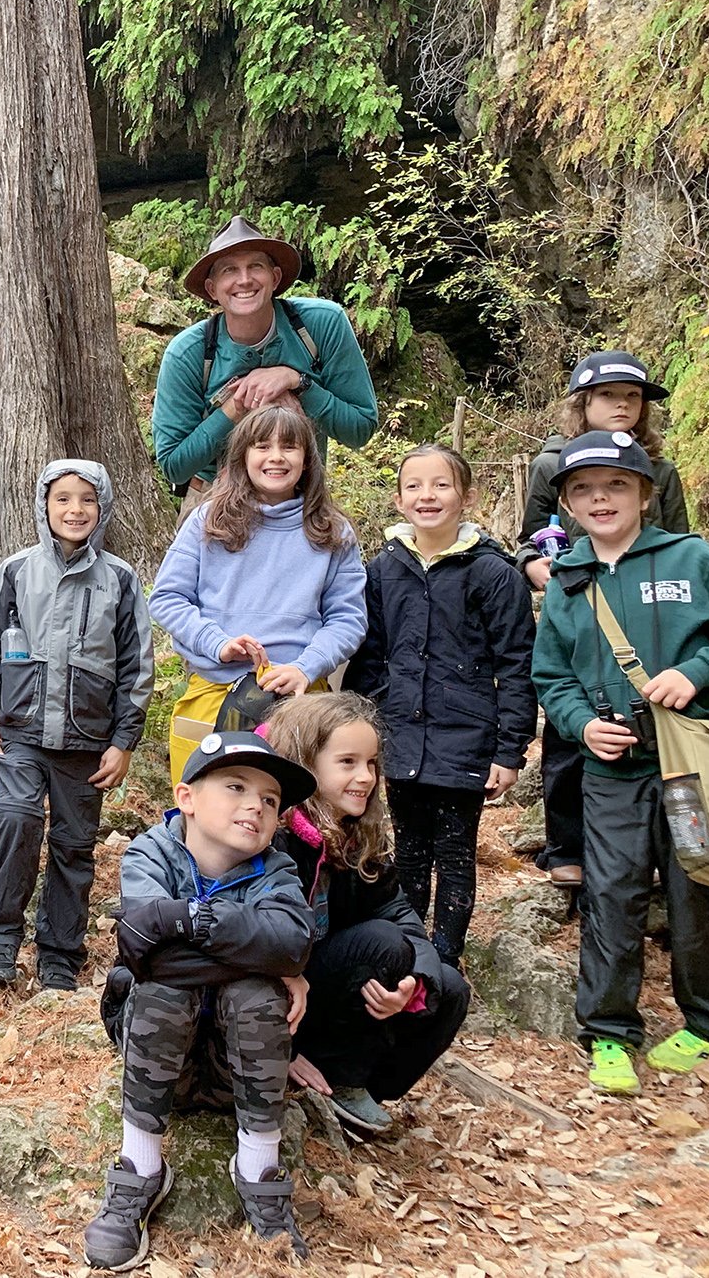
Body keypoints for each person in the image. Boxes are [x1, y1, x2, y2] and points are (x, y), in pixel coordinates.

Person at [531, 430, 709, 1095]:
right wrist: (583, 727)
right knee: (610, 892)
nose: (599, 499)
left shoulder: (694, 561)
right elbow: (551, 677)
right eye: (583, 489)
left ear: (645, 492)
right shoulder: (569, 580)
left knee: (702, 887)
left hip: (696, 763)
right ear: (567, 505)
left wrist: (696, 672)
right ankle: (609, 1032)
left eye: (615, 485)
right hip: (615, 770)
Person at [85, 731, 316, 1269]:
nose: (255, 805)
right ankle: (141, 1168)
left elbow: (294, 943)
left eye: (270, 800)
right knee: (168, 986)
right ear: (186, 797)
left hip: (238, 1074)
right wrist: (259, 950)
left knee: (256, 993)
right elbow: (148, 957)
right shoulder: (151, 854)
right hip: (164, 1061)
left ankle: (258, 1169)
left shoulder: (277, 869)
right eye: (235, 786)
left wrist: (188, 920)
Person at [345, 444, 536, 963]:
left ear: (466, 496)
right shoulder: (383, 569)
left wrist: (509, 749)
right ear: (399, 498)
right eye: (414, 486)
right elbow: (371, 654)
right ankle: (408, 953)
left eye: (441, 485)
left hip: (467, 735)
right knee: (406, 849)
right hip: (400, 732)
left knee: (454, 853)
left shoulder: (494, 574)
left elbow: (516, 664)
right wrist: (365, 728)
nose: (427, 495)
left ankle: (445, 958)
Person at [0, 460, 152, 990]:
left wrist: (123, 743)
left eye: (87, 500)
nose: (75, 510)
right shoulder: (15, 571)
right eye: (63, 499)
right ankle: (0, 940)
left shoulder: (119, 579)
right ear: (43, 507)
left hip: (88, 743)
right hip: (20, 731)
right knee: (14, 820)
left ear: (103, 508)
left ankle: (59, 954)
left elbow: (136, 666)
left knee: (74, 845)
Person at [515, 351, 688, 890]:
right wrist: (536, 567)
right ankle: (567, 847)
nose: (622, 406)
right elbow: (525, 540)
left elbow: (685, 542)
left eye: (632, 397)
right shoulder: (551, 465)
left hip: (652, 617)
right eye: (609, 396)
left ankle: (664, 849)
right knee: (570, 732)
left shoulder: (660, 470)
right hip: (580, 614)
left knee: (657, 729)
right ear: (583, 403)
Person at [266, 692, 471, 1136]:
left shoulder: (355, 833)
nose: (366, 777)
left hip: (325, 995)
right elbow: (241, 952)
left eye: (372, 763)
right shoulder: (270, 836)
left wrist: (417, 982)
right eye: (348, 763)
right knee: (379, 942)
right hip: (274, 1007)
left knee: (448, 987)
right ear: (305, 764)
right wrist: (278, 1051)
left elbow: (399, 911)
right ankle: (332, 1077)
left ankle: (355, 1094)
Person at [149, 405, 367, 782]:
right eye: (262, 446)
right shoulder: (207, 520)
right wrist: (216, 643)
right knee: (206, 812)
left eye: (290, 447)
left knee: (298, 818)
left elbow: (348, 619)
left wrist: (305, 666)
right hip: (213, 691)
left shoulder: (332, 531)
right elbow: (167, 598)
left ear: (307, 459)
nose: (276, 457)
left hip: (301, 699)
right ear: (243, 455)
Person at [151, 217, 379, 499]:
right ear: (212, 289)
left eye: (255, 266)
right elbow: (174, 466)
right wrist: (237, 406)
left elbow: (360, 429)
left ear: (275, 278)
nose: (244, 279)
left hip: (300, 498)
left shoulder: (322, 325)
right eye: (229, 270)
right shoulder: (188, 353)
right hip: (212, 498)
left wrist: (298, 382)